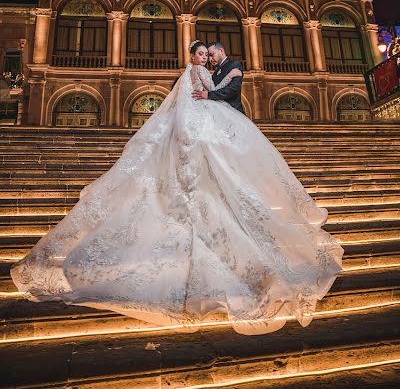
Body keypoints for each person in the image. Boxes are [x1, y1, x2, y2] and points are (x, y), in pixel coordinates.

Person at [10, 40, 343, 335]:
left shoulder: (227, 69)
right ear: (195, 56)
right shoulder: (192, 74)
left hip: (213, 128)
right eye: (202, 55)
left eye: (208, 55)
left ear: (217, 54)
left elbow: (222, 92)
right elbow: (192, 102)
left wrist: (209, 98)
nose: (207, 59)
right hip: (200, 133)